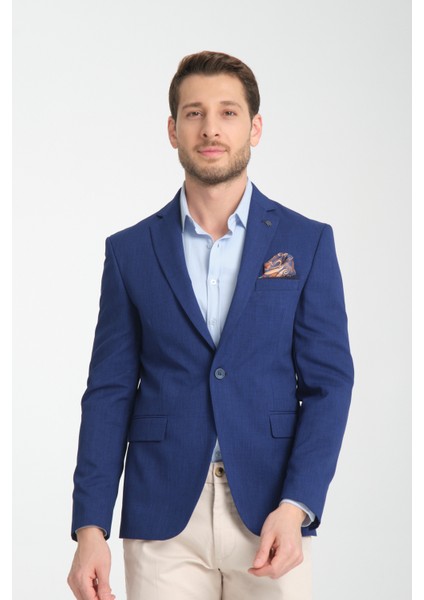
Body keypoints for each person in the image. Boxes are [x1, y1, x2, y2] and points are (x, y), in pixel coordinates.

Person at [68, 50, 354, 600]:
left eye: (228, 112)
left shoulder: (306, 241)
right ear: (172, 130)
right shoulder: (130, 251)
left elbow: (329, 385)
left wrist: (297, 505)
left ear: (255, 128)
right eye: (194, 113)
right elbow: (107, 394)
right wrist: (90, 527)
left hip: (272, 514)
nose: (210, 129)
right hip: (162, 517)